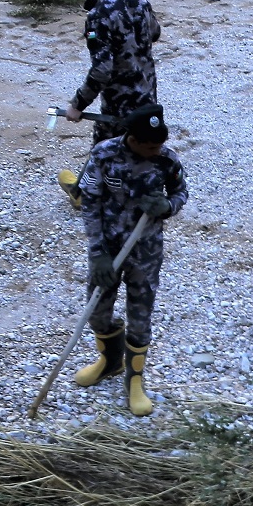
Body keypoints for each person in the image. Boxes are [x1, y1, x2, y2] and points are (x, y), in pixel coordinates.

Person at [71, 103, 186, 417]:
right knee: (96, 312)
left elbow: (181, 193)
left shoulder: (166, 159)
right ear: (132, 139)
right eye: (150, 145)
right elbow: (88, 201)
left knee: (140, 316)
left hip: (145, 252)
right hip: (108, 250)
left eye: (159, 144)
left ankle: (135, 379)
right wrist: (97, 252)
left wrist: (166, 206)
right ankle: (109, 361)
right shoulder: (104, 155)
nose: (156, 150)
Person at [56, 0, 162, 205]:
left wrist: (77, 104)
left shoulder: (98, 16)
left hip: (119, 102)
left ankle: (86, 195)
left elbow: (102, 70)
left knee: (104, 151)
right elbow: (155, 32)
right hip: (146, 92)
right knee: (140, 148)